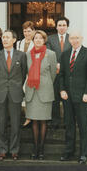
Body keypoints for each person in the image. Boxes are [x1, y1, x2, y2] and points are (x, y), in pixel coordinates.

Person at [59, 30, 87, 164]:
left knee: (83, 126)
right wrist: (62, 89)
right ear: (69, 40)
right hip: (67, 97)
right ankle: (69, 152)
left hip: (82, 97)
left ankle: (83, 154)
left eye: (77, 38)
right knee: (69, 125)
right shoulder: (64, 55)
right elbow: (62, 74)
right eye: (73, 38)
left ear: (82, 39)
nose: (75, 40)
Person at [0, 30, 27, 161]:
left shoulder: (22, 56)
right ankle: (2, 149)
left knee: (15, 123)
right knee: (0, 123)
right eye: (3, 38)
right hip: (1, 92)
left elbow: (23, 74)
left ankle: (14, 150)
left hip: (15, 93)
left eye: (7, 37)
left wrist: (17, 86)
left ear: (14, 40)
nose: (5, 40)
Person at [25, 30, 57, 160]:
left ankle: (41, 149)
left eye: (40, 38)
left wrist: (45, 83)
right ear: (33, 40)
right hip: (32, 91)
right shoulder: (28, 55)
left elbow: (53, 73)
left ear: (44, 40)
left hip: (45, 91)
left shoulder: (51, 54)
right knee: (33, 121)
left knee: (43, 121)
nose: (37, 40)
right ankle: (35, 148)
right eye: (35, 38)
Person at [46, 17, 71, 129]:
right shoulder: (50, 39)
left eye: (64, 25)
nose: (61, 27)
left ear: (67, 27)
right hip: (54, 72)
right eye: (59, 25)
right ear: (56, 27)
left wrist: (64, 66)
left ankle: (67, 121)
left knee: (67, 98)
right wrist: (56, 64)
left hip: (69, 73)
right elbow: (48, 53)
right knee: (55, 98)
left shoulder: (72, 38)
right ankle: (55, 121)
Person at [16, 21, 35, 127]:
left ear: (33, 31)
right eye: (25, 31)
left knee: (29, 95)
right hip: (20, 72)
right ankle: (21, 117)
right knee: (20, 94)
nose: (27, 33)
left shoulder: (36, 42)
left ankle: (29, 117)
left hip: (31, 72)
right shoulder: (18, 43)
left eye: (29, 31)